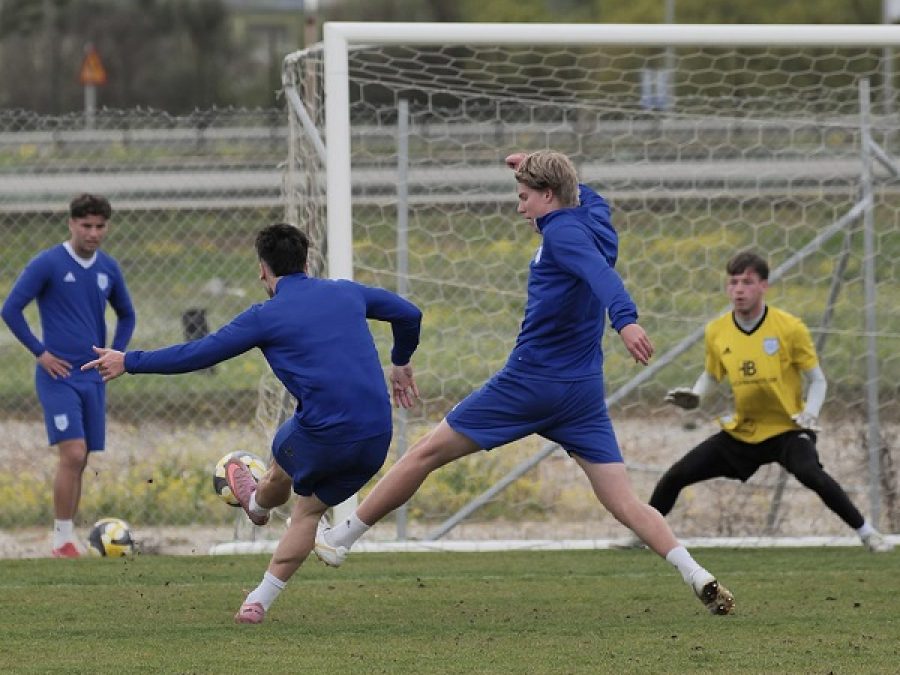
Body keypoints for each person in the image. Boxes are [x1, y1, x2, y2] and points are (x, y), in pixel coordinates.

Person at [313, 151, 736, 616]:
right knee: (624, 501)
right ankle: (695, 572)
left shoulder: (563, 233)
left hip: (530, 382)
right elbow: (589, 198)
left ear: (549, 196)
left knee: (425, 453)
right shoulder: (592, 214)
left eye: (524, 196)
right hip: (582, 393)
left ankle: (341, 537)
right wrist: (534, 160)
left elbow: (601, 276)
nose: (520, 208)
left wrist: (626, 322)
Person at [83, 223, 422, 624]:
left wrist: (129, 361)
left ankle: (257, 507)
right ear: (307, 261)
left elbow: (199, 353)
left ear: (263, 270)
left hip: (323, 434)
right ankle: (258, 596)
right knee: (308, 510)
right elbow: (409, 313)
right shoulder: (346, 291)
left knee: (285, 457)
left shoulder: (265, 316)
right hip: (376, 436)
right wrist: (400, 361)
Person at [641, 250, 893, 553]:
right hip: (743, 430)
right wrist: (696, 397)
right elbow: (712, 375)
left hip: (787, 427)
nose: (739, 289)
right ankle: (642, 537)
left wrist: (810, 413)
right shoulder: (717, 330)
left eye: (747, 282)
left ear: (764, 286)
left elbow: (818, 380)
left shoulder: (789, 327)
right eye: (733, 282)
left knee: (811, 473)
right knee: (677, 474)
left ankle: (868, 534)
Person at [1, 194, 136, 558]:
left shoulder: (108, 268)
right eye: (86, 225)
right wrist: (41, 353)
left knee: (84, 456)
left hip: (92, 377)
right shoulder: (48, 263)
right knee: (73, 454)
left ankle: (68, 537)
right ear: (71, 224)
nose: (93, 233)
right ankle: (61, 539)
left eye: (100, 226)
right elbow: (10, 309)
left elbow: (127, 314)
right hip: (58, 376)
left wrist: (115, 354)